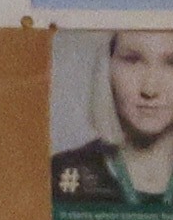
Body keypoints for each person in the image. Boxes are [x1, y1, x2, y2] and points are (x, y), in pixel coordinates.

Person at [54, 29, 173, 202]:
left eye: (171, 63)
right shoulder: (58, 173)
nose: (150, 89)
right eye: (132, 60)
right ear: (107, 68)